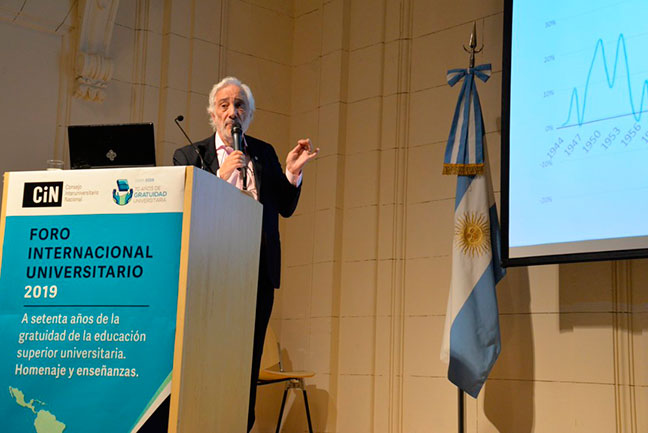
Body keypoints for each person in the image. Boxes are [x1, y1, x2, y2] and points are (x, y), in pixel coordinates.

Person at [173, 76, 319, 432]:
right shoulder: (190, 156)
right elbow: (181, 210)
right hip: (208, 272)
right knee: (208, 358)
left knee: (247, 360)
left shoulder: (264, 153)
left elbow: (283, 207)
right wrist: (218, 178)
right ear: (212, 113)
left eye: (239, 105)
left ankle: (242, 424)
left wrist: (292, 173)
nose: (231, 112)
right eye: (224, 105)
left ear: (249, 114)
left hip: (256, 272)